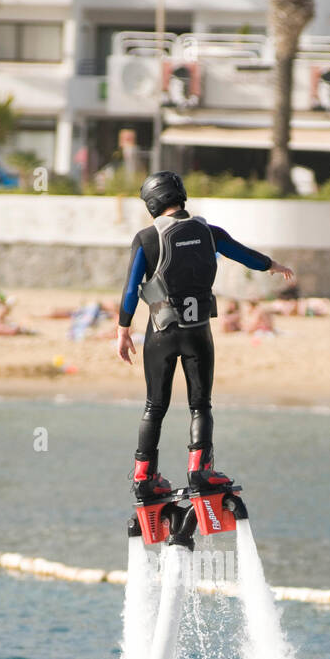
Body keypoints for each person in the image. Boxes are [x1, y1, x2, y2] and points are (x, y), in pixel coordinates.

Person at [116, 171, 294, 501]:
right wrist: (273, 265)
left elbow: (131, 289)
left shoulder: (146, 238)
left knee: (155, 406)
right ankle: (200, 470)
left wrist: (123, 330)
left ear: (153, 204)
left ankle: (144, 476)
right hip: (198, 333)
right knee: (200, 405)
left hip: (161, 332)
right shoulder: (209, 233)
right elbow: (246, 255)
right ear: (180, 195)